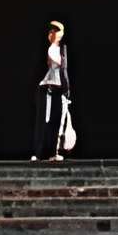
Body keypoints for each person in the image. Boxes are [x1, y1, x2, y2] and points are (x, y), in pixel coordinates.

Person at [37, 18, 76, 160]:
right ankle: (43, 152)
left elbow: (63, 70)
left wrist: (67, 90)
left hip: (60, 89)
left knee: (59, 121)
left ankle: (55, 152)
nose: (52, 33)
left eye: (55, 31)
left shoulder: (62, 49)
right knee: (48, 120)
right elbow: (56, 65)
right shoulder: (51, 49)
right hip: (50, 88)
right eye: (51, 31)